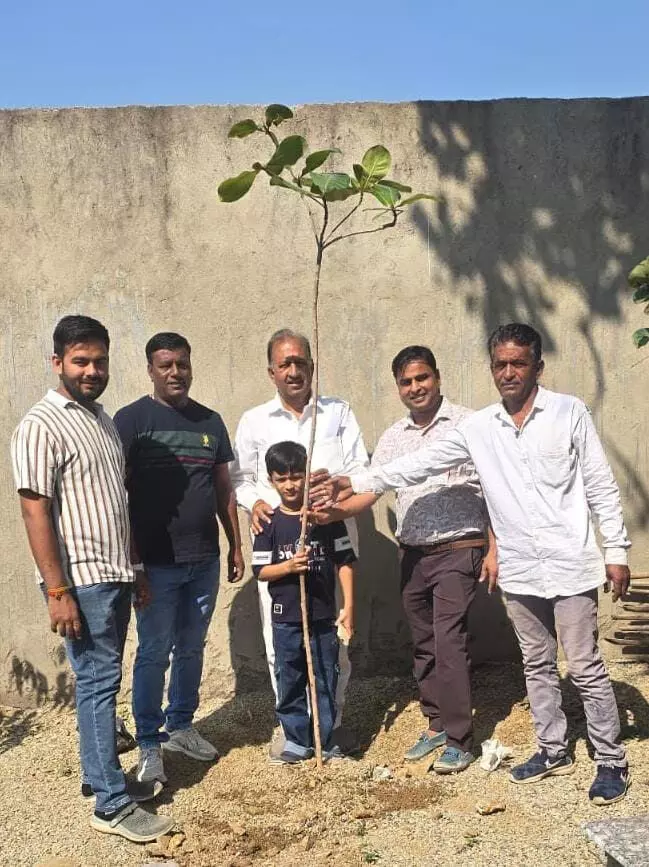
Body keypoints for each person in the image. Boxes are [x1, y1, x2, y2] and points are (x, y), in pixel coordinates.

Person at [313, 323, 631, 805]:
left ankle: (610, 759)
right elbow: (417, 464)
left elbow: (600, 485)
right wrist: (352, 479)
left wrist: (617, 551)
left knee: (583, 663)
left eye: (518, 363)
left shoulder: (568, 413)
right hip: (523, 569)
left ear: (537, 367)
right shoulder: (479, 428)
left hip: (569, 562)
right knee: (538, 663)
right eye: (500, 364)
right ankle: (552, 748)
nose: (508, 372)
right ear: (491, 369)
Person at [11, 315, 174, 843]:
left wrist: (137, 569)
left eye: (99, 361)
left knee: (101, 685)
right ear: (57, 362)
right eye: (80, 361)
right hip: (79, 582)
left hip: (114, 574)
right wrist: (57, 591)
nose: (92, 370)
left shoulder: (101, 419)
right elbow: (36, 510)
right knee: (99, 687)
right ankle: (110, 804)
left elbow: (116, 505)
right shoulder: (42, 424)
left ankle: (97, 777)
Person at [320, 345, 491, 773]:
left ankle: (460, 738)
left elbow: (495, 488)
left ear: (437, 377)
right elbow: (372, 490)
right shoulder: (395, 436)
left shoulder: (471, 424)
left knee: (449, 641)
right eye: (406, 382)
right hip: (413, 554)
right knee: (425, 645)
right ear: (398, 387)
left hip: (459, 547)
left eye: (422, 378)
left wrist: (496, 547)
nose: (415, 387)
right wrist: (333, 511)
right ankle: (436, 721)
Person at [114, 332, 244, 785]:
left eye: (182, 364)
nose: (175, 373)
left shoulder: (210, 421)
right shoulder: (131, 421)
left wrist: (235, 544)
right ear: (150, 369)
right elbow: (118, 496)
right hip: (155, 565)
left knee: (191, 646)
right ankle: (149, 741)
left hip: (203, 560)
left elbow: (223, 488)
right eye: (166, 365)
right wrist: (134, 565)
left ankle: (181, 725)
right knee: (153, 651)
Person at [231, 328, 369, 756]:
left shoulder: (337, 413)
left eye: (301, 363)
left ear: (312, 366)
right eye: (284, 364)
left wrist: (340, 491)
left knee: (332, 641)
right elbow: (240, 478)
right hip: (278, 544)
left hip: (332, 535)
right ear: (271, 371)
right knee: (283, 644)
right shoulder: (255, 421)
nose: (294, 371)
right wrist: (254, 502)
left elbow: (362, 470)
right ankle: (294, 732)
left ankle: (330, 728)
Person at [252, 441, 356, 763]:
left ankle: (325, 738)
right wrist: (288, 567)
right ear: (271, 480)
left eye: (296, 476)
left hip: (322, 615)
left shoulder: (323, 518)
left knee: (325, 675)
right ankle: (296, 739)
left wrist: (349, 605)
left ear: (307, 475)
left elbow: (345, 561)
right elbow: (261, 571)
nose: (290, 484)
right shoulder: (268, 523)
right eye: (282, 478)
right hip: (286, 618)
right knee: (291, 676)